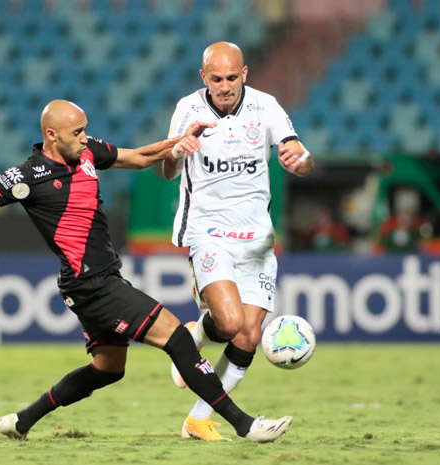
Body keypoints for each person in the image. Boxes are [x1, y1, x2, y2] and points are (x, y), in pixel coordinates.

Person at [0, 100, 292, 443]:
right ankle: (243, 425)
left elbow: (139, 157)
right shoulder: (26, 177)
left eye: (86, 129)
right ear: (51, 136)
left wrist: (178, 143)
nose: (85, 137)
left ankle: (22, 420)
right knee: (178, 338)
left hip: (93, 284)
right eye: (76, 132)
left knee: (108, 370)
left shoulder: (88, 154)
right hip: (94, 285)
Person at [162, 42, 314, 441]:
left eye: (232, 77)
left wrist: (300, 159)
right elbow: (166, 171)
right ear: (204, 78)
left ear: (244, 73)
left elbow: (298, 150)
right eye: (217, 79)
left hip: (257, 239)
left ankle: (197, 419)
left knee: (248, 334)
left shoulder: (266, 106)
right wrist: (177, 151)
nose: (225, 86)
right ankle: (199, 334)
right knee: (229, 323)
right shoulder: (188, 109)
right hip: (208, 232)